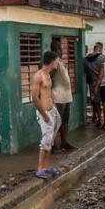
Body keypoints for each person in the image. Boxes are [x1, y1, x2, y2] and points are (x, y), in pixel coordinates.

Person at [32, 51, 62, 180]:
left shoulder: (48, 75)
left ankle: (46, 166)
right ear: (51, 61)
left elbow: (48, 93)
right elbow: (34, 97)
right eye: (56, 61)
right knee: (45, 141)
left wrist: (53, 107)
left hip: (52, 110)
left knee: (50, 139)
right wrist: (44, 114)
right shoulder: (38, 76)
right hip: (44, 112)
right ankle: (40, 169)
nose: (57, 63)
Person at [49, 40, 75, 151]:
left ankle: (64, 142)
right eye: (58, 48)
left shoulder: (60, 61)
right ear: (54, 50)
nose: (61, 50)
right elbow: (49, 77)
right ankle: (55, 145)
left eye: (60, 48)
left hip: (66, 96)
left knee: (64, 122)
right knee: (56, 122)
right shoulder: (53, 62)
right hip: (58, 97)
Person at [84, 42, 105, 127]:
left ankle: (94, 117)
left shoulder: (87, 58)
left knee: (94, 101)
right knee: (102, 102)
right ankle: (100, 119)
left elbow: (85, 70)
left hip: (91, 83)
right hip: (101, 82)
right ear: (100, 49)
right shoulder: (103, 58)